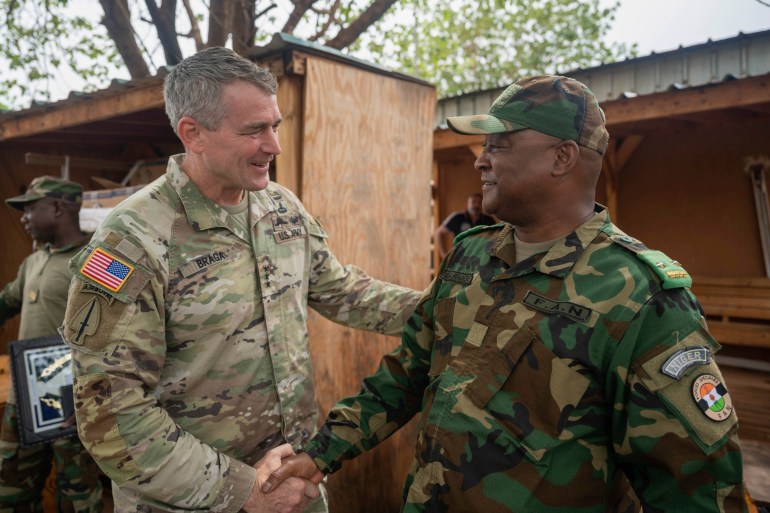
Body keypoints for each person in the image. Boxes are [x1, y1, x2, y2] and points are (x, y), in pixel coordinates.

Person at [262, 75, 749, 512]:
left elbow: (696, 489)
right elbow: (407, 374)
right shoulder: (470, 255)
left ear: (562, 157)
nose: (481, 159)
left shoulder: (641, 298)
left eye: (500, 144)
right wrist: (321, 453)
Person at [59, 46, 420, 513]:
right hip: (194, 500)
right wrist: (244, 490)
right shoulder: (132, 239)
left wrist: (450, 304)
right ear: (194, 133)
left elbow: (340, 289)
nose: (274, 146)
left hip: (294, 484)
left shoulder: (279, 206)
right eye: (254, 131)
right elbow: (110, 415)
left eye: (275, 126)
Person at [0, 176, 103, 512]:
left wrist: (94, 391)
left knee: (77, 496)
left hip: (72, 402)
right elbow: (6, 302)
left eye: (30, 209)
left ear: (58, 207)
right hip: (23, 398)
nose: (24, 218)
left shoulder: (101, 259)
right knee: (11, 490)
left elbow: (124, 330)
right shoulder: (33, 261)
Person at [434, 193, 495, 259]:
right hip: (459, 258)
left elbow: (496, 237)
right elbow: (438, 232)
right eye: (473, 202)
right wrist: (443, 255)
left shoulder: (489, 220)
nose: (476, 205)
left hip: (481, 259)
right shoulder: (457, 217)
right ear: (468, 203)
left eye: (480, 203)